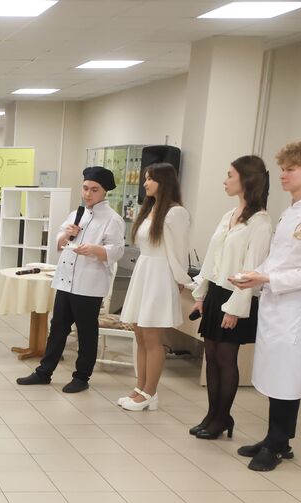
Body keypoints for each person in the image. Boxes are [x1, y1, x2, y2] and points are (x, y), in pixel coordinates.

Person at [229, 141, 301, 471]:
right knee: (272, 372)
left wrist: (267, 279)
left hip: (294, 308)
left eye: (290, 169)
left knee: (286, 375)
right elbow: (278, 259)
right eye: (282, 169)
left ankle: (278, 444)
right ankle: (274, 437)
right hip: (274, 304)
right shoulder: (290, 212)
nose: (282, 175)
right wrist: (255, 274)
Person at [17, 167, 126, 394]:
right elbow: (58, 241)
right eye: (85, 188)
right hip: (66, 281)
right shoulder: (77, 213)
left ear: (105, 191)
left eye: (94, 190)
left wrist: (94, 249)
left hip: (89, 284)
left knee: (86, 333)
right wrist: (67, 234)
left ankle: (82, 377)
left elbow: (116, 251)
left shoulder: (112, 219)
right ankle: (44, 372)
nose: (88, 194)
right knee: (58, 328)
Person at [189, 156, 272, 439]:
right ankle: (213, 415)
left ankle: (222, 417)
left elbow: (252, 268)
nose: (225, 181)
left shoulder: (261, 222)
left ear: (246, 180)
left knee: (226, 358)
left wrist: (235, 308)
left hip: (237, 295)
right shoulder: (229, 215)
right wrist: (201, 294)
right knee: (211, 357)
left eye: (230, 175)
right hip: (216, 291)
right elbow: (211, 259)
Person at [117, 162, 191, 411]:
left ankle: (150, 392)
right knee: (139, 334)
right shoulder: (150, 208)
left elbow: (179, 251)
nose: (145, 183)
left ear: (164, 182)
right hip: (144, 271)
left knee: (151, 337)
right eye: (145, 178)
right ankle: (140, 388)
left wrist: (180, 280)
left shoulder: (175, 212)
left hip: (160, 275)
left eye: (150, 179)